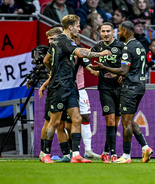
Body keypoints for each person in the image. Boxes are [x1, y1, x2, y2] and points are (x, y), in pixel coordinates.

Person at [40, 14, 112, 163]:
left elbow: (46, 60)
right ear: (70, 27)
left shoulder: (60, 42)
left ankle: (76, 155)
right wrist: (100, 53)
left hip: (70, 85)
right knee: (54, 121)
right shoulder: (63, 40)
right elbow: (80, 52)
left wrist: (52, 70)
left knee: (77, 118)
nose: (79, 29)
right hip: (59, 86)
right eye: (78, 26)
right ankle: (45, 154)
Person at [91, 21, 154, 164]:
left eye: (118, 31)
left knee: (125, 122)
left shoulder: (126, 47)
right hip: (141, 85)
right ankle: (145, 147)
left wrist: (105, 68)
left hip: (129, 87)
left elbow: (124, 70)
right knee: (129, 119)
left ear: (125, 31)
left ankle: (125, 155)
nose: (118, 33)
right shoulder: (140, 46)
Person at [89, 22, 125, 163]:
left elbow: (132, 63)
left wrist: (124, 75)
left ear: (113, 32)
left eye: (108, 31)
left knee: (115, 122)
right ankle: (114, 154)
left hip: (120, 88)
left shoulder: (121, 47)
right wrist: (91, 70)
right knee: (109, 120)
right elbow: (84, 57)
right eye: (103, 31)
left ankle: (105, 151)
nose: (105, 34)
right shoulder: (98, 47)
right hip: (105, 88)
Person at [38, 27, 72, 163]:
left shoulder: (62, 49)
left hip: (66, 89)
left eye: (52, 39)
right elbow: (51, 71)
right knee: (50, 121)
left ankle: (67, 154)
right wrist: (46, 84)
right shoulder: (52, 52)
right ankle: (43, 151)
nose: (50, 42)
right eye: (49, 39)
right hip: (55, 90)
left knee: (62, 124)